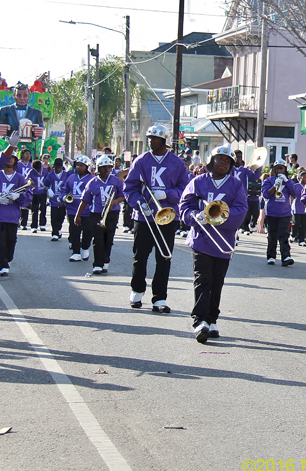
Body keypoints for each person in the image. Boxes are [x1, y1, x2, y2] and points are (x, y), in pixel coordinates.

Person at [180, 145, 248, 342]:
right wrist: (195, 216)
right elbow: (185, 205)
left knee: (217, 281)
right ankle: (200, 320)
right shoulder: (198, 181)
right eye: (219, 159)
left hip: (224, 241)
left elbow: (241, 209)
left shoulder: (236, 184)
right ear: (211, 161)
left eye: (227, 161)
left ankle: (212, 319)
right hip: (201, 238)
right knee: (203, 279)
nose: (223, 163)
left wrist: (218, 217)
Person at [123, 124, 190, 313]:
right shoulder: (141, 161)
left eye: (155, 138)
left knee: (164, 258)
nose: (151, 141)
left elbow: (185, 190)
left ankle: (159, 298)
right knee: (140, 256)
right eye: (150, 138)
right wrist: (139, 203)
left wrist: (167, 194)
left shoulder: (177, 163)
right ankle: (137, 290)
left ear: (164, 141)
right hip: (144, 217)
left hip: (167, 216)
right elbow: (129, 188)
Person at [77, 155, 124, 274]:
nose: (107, 170)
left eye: (109, 167)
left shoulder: (116, 181)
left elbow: (123, 195)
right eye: (104, 167)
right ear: (98, 168)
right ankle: (97, 264)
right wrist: (78, 215)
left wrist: (114, 202)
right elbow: (85, 200)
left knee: (109, 239)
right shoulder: (92, 182)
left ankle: (105, 261)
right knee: (98, 239)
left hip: (112, 213)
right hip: (97, 214)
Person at [0, 155, 32, 276]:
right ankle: (3, 265)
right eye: (8, 158)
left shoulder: (20, 178)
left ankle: (7, 258)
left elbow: (28, 196)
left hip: (13, 215)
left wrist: (19, 196)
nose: (9, 160)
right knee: (0, 241)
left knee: (11, 240)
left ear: (15, 161)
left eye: (12, 158)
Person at [261, 159, 298, 266]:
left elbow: (294, 193)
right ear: (274, 170)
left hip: (285, 213)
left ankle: (285, 256)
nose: (279, 171)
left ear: (285, 170)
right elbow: (266, 195)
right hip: (271, 212)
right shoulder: (269, 180)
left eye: (281, 168)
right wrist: (274, 186)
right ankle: (271, 256)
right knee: (272, 235)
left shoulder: (289, 181)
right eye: (277, 169)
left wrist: (287, 181)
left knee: (284, 235)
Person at [64, 156, 95, 262]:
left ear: (87, 167)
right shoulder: (71, 178)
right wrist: (63, 197)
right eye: (77, 165)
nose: (78, 167)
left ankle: (85, 247)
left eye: (81, 165)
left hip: (87, 210)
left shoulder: (92, 179)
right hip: (72, 209)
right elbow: (65, 190)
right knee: (74, 231)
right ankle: (76, 252)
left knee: (88, 231)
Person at [45, 158, 70, 241]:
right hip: (54, 200)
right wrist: (48, 190)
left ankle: (58, 229)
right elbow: (45, 184)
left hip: (63, 200)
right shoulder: (50, 174)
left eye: (59, 167)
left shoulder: (66, 175)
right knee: (54, 217)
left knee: (61, 216)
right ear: (54, 167)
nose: (58, 169)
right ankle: (54, 233)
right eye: (56, 167)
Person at [290, 170, 306, 246]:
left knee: (303, 224)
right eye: (304, 177)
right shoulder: (296, 186)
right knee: (296, 223)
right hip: (297, 207)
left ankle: (301, 240)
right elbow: (293, 195)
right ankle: (293, 235)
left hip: (305, 208)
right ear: (300, 178)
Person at [28, 159, 48, 233]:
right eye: (37, 169)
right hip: (35, 193)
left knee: (43, 208)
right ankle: (34, 226)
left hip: (43, 192)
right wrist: (30, 185)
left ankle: (42, 224)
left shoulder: (45, 170)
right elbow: (27, 180)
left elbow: (48, 179)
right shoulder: (31, 172)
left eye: (39, 169)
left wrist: (48, 188)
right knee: (34, 209)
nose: (39, 170)